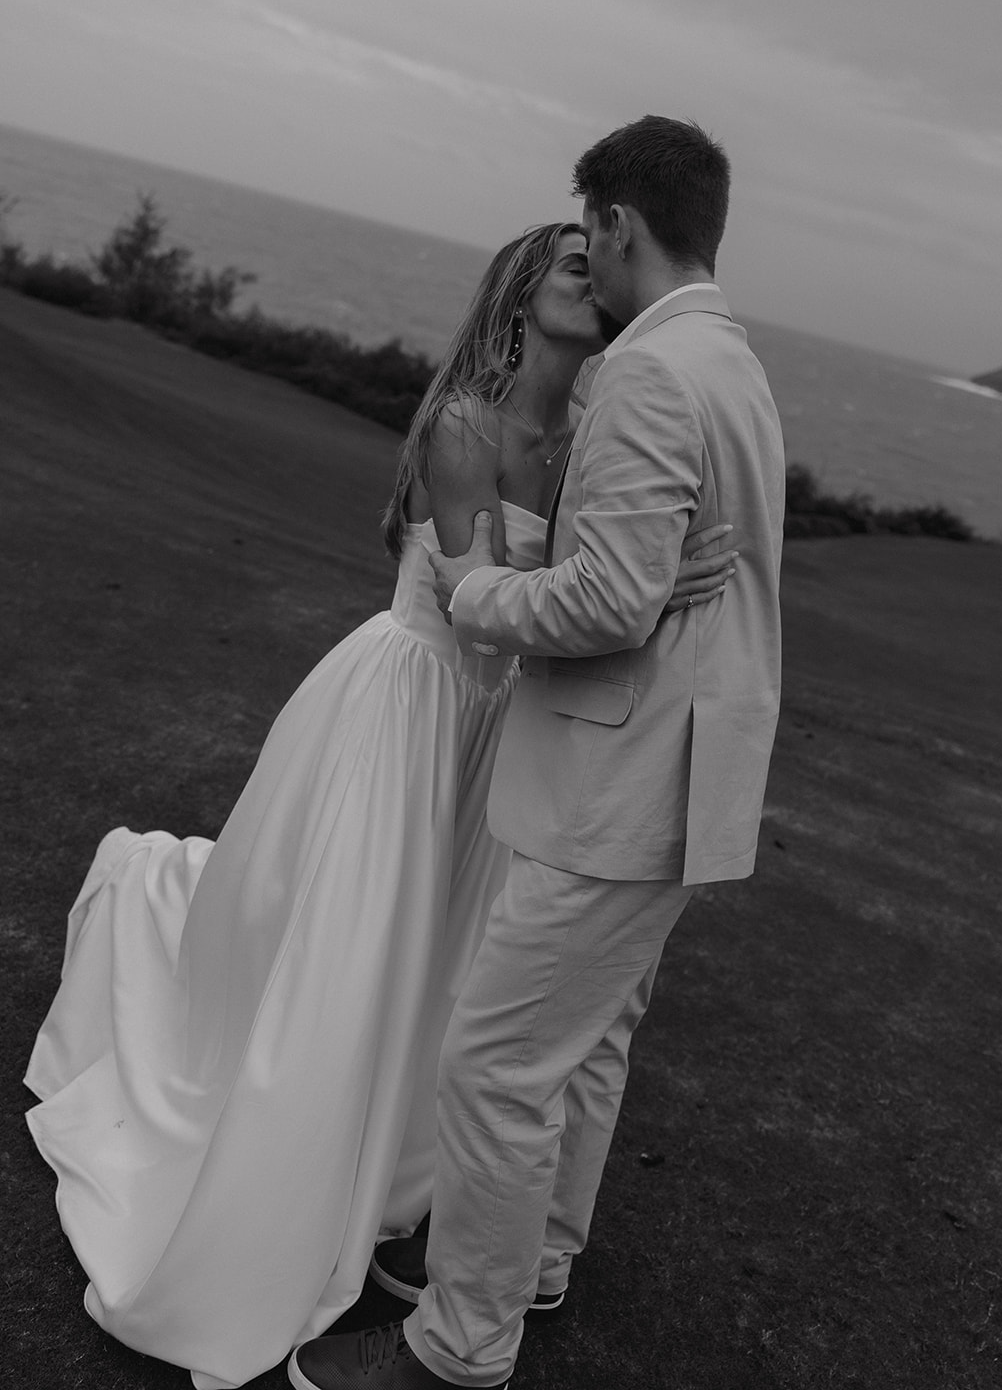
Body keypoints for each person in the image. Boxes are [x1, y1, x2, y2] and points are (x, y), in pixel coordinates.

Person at [24, 220, 736, 1390]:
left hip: (502, 724)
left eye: (591, 268)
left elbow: (583, 588)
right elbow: (477, 606)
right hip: (410, 702)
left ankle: (418, 1169)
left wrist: (645, 579)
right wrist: (644, 595)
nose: (588, 280)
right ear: (520, 292)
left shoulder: (589, 434)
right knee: (354, 949)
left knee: (443, 959)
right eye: (567, 266)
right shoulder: (463, 425)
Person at [290, 116, 786, 1390]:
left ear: (619, 224)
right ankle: (540, 1255)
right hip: (684, 774)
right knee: (592, 1040)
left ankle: (456, 1351)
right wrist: (637, 578)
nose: (588, 264)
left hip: (613, 776)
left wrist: (475, 597)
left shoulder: (649, 374)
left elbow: (603, 606)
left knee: (499, 1064)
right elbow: (644, 579)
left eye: (591, 237)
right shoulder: (732, 361)